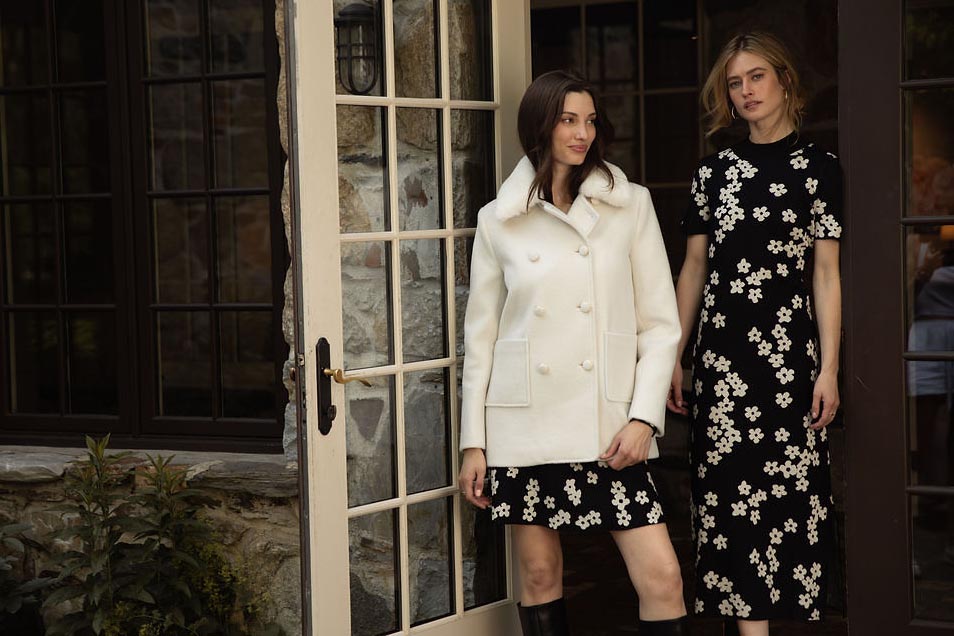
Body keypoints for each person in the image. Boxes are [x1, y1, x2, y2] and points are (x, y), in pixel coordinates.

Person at [458, 70, 689, 636]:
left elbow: (661, 326)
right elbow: (481, 339)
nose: (582, 133)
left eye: (589, 121)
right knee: (539, 575)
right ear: (540, 126)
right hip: (525, 425)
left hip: (609, 426)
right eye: (568, 120)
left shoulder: (630, 205)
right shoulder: (498, 219)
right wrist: (473, 443)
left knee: (662, 578)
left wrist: (644, 419)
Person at [667, 32, 843, 635]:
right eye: (734, 83)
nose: (745, 91)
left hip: (790, 365)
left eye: (756, 77)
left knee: (789, 505)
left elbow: (826, 274)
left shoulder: (820, 169)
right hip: (723, 365)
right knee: (728, 508)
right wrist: (674, 355)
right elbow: (694, 268)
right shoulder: (713, 172)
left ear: (785, 80)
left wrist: (828, 369)